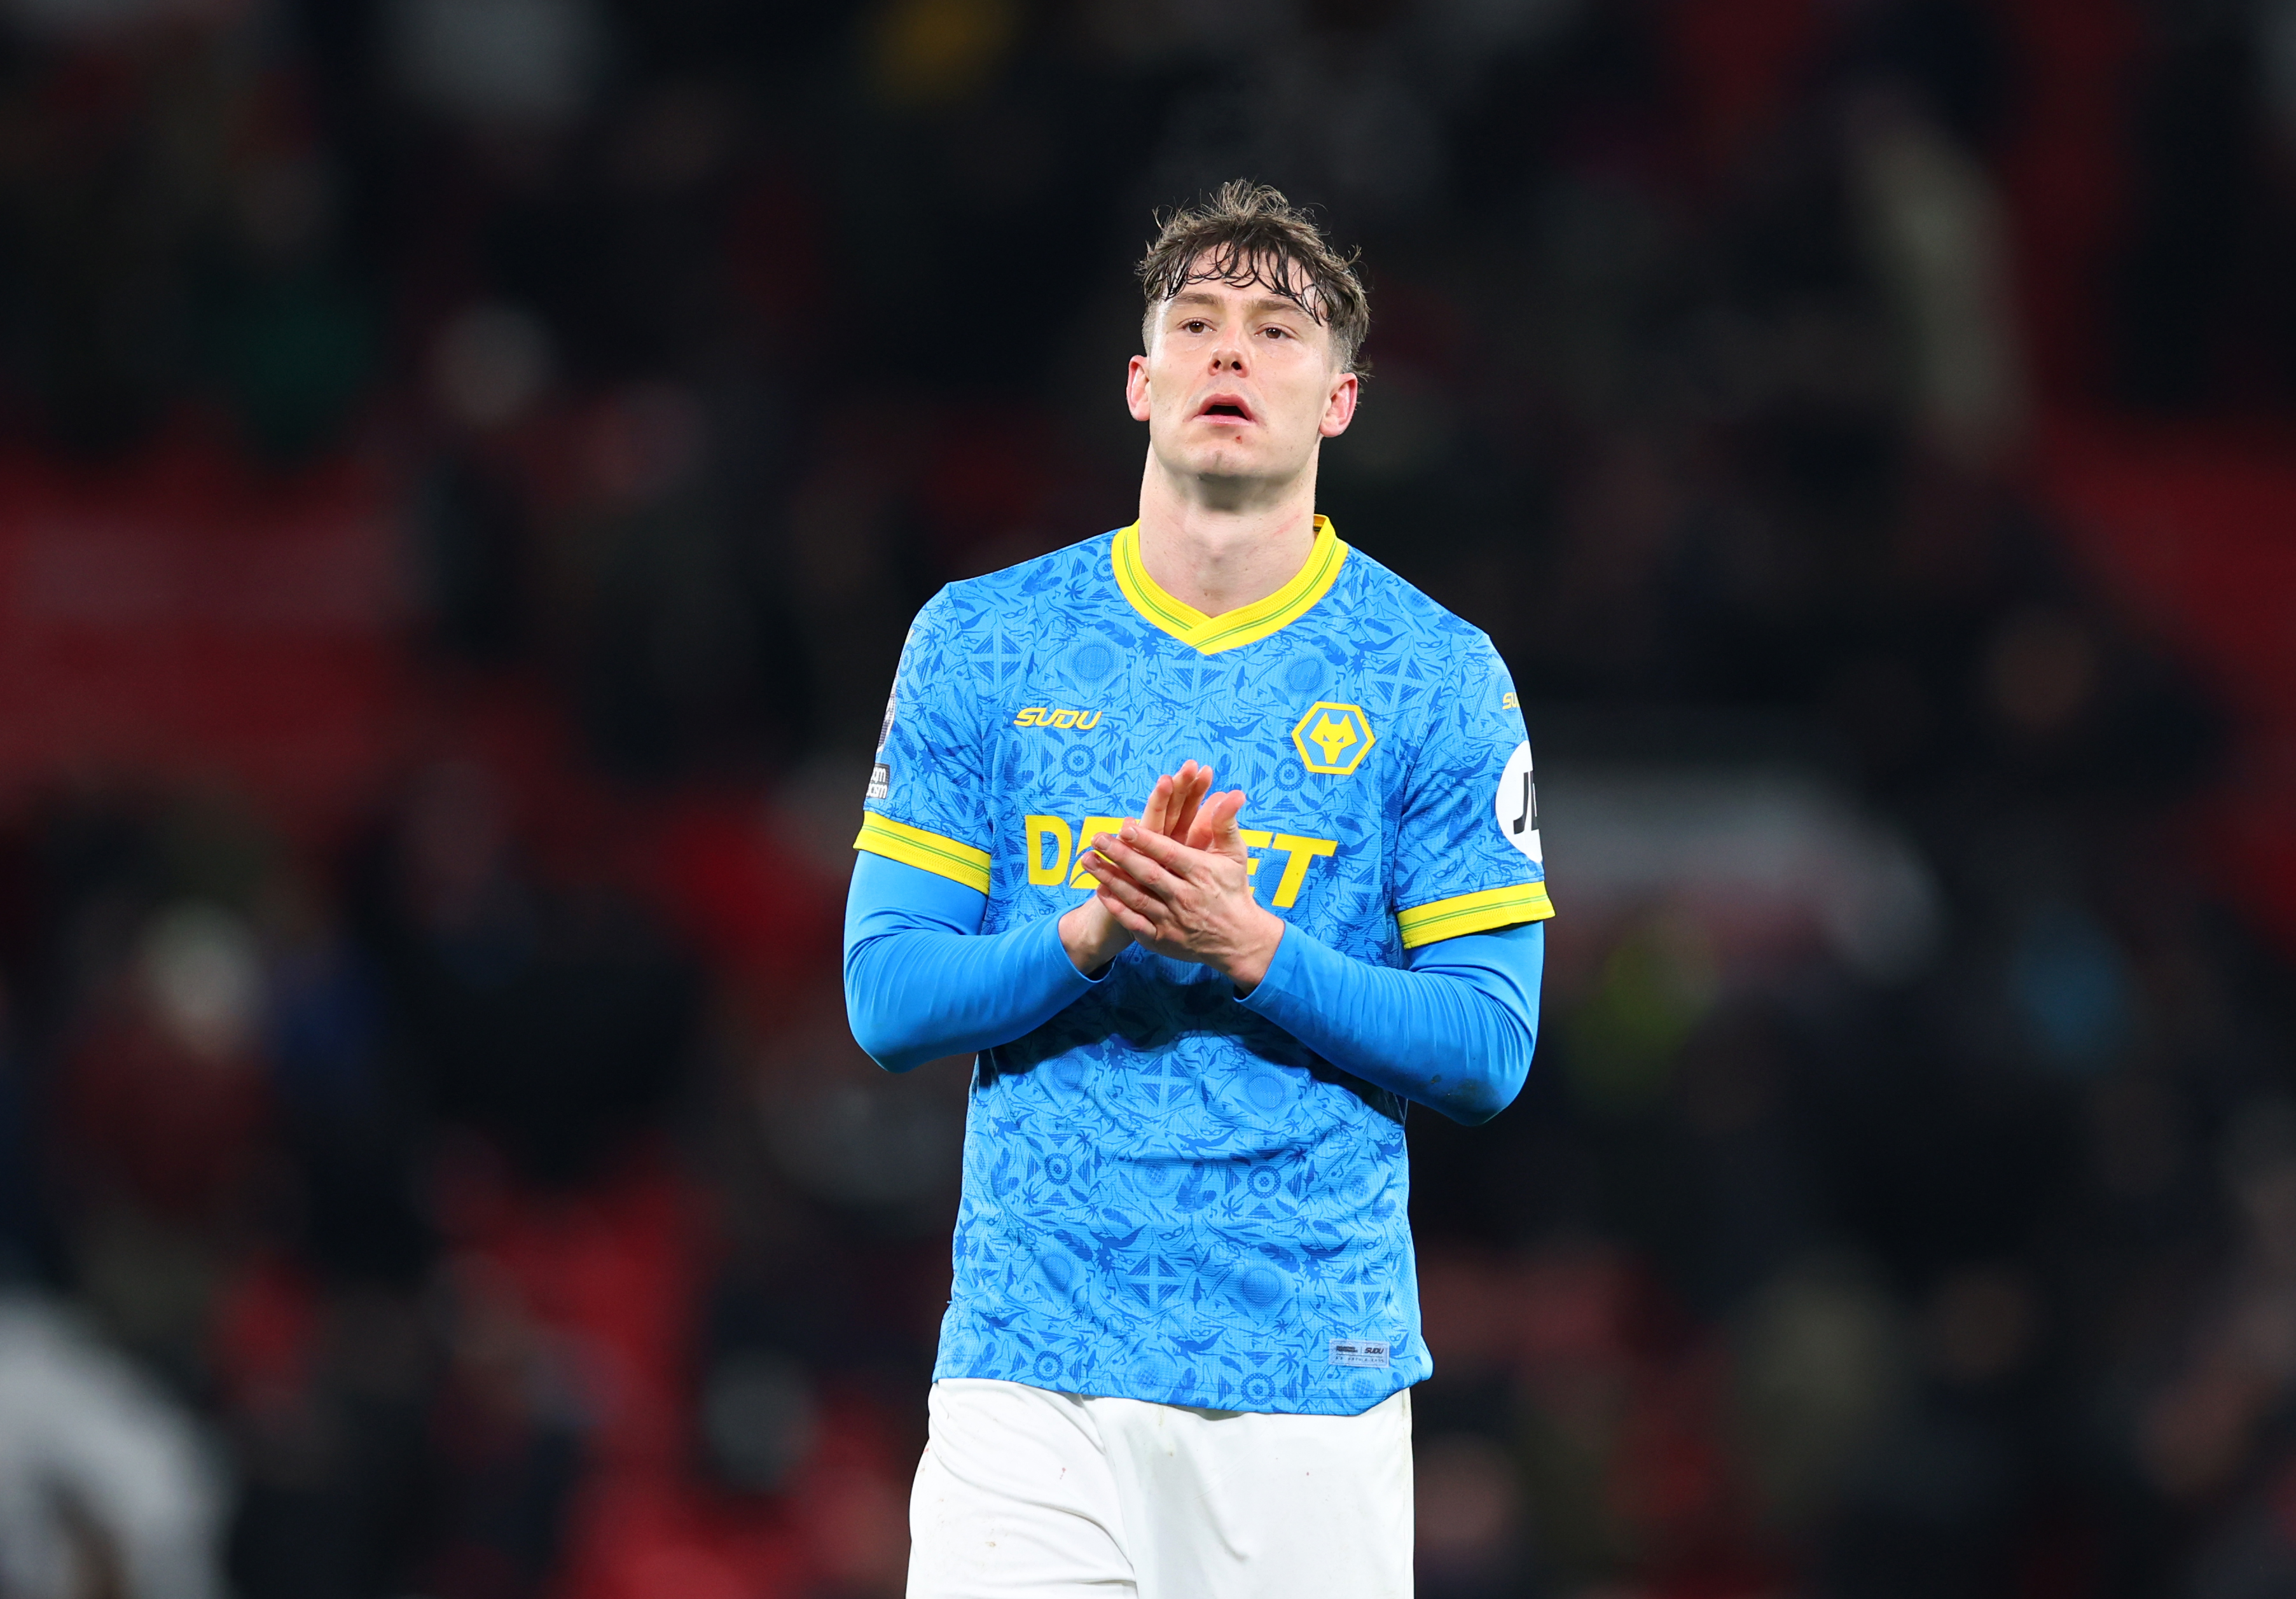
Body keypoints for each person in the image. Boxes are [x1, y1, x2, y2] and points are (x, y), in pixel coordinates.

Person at [843, 180, 1551, 1599]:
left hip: (1308, 1373)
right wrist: (1091, 931)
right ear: (1138, 381)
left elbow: (1489, 1047)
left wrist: (1250, 949)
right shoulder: (983, 642)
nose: (1232, 354)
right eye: (1197, 322)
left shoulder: (1433, 672)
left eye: (1277, 330)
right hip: (1030, 1368)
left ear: (1338, 401)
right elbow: (884, 998)